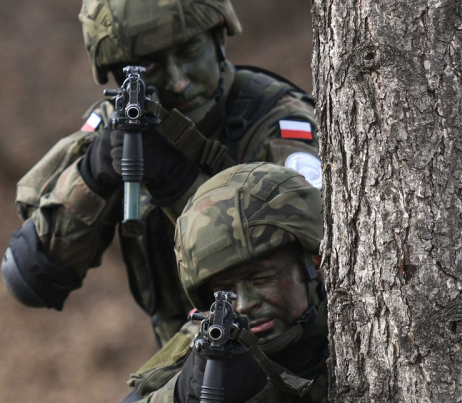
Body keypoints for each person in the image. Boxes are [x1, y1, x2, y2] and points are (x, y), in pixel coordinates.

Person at [1, 0, 323, 344]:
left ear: (219, 36)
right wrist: (94, 175)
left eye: (190, 51)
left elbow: (319, 286)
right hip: (190, 356)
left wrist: (178, 184)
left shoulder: (278, 127)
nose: (179, 80)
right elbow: (33, 278)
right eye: (151, 65)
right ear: (117, 73)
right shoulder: (119, 126)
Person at [125, 162, 327, 403]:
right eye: (224, 291)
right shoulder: (210, 344)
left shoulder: (360, 325)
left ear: (314, 262)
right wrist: (181, 394)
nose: (243, 305)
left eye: (261, 279)